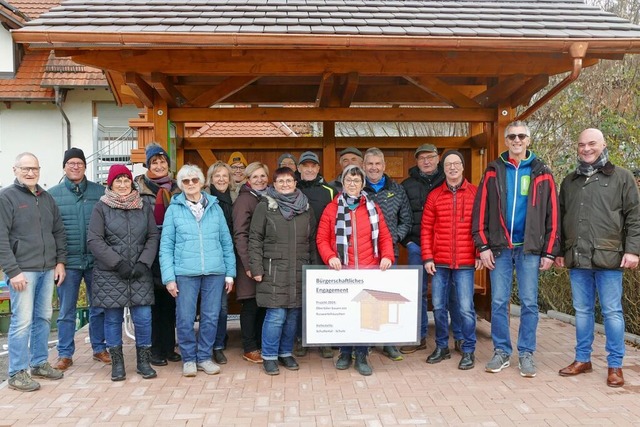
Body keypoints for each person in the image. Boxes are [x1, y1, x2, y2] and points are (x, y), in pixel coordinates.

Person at [472, 121, 560, 378]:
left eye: (521, 136)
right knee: (499, 302)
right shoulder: (493, 170)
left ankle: (526, 353)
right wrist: (483, 246)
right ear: (506, 140)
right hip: (499, 249)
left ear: (529, 140)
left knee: (530, 303)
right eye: (512, 136)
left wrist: (550, 251)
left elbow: (552, 214)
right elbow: (480, 211)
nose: (517, 140)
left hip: (530, 249)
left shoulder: (542, 171)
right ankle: (501, 351)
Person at [556, 128, 640, 387]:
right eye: (581, 144)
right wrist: (560, 252)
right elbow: (561, 219)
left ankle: (615, 365)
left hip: (609, 258)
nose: (586, 149)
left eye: (592, 143)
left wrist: (633, 249)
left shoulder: (622, 178)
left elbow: (635, 217)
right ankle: (583, 359)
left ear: (603, 145)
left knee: (612, 312)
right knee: (582, 311)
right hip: (577, 257)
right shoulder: (569, 181)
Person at [317, 165, 395, 376]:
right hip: (343, 272)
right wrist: (330, 256)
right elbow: (322, 239)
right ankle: (344, 353)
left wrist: (387, 256)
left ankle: (361, 355)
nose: (353, 184)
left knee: (365, 315)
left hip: (368, 269)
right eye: (349, 181)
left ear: (362, 184)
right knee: (345, 315)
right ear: (343, 183)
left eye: (357, 181)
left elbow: (385, 236)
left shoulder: (372, 207)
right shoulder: (332, 208)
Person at [160, 164, 236, 377]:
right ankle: (188, 358)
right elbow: (166, 245)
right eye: (186, 181)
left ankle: (204, 356)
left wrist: (230, 273)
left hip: (215, 271)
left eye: (195, 180)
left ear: (202, 183)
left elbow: (226, 242)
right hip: (185, 272)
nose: (191, 184)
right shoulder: (174, 210)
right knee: (184, 317)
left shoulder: (215, 207)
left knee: (211, 316)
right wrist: (169, 278)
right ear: (181, 185)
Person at [0, 152, 66, 392]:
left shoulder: (46, 198)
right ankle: (17, 372)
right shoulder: (6, 197)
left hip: (47, 269)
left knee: (43, 318)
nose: (30, 173)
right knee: (21, 322)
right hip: (22, 271)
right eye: (25, 168)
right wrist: (13, 270)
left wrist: (60, 262)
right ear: (14, 169)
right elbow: (1, 238)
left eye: (34, 169)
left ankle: (38, 363)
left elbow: (58, 231)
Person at [88, 164, 159, 382]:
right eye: (117, 180)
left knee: (144, 318)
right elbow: (94, 240)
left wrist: (143, 263)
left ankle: (143, 361)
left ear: (132, 182)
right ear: (110, 183)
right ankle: (117, 364)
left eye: (126, 180)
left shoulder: (143, 206)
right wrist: (117, 263)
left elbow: (152, 236)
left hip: (139, 272)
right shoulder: (101, 208)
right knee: (112, 319)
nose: (122, 184)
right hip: (111, 273)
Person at [249, 167, 316, 375]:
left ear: (295, 183)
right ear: (274, 184)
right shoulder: (265, 206)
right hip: (273, 270)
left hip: (299, 269)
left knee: (293, 315)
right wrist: (256, 267)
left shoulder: (305, 207)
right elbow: (255, 238)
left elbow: (312, 240)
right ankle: (269, 356)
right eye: (281, 181)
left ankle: (286, 352)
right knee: (276, 314)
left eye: (289, 180)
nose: (285, 184)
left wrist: (314, 270)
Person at [49, 147, 109, 371]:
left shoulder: (99, 192)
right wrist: (58, 261)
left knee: (99, 307)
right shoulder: (53, 195)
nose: (75, 166)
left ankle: (99, 348)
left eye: (79, 163)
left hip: (96, 261)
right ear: (64, 167)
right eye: (71, 163)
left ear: (85, 166)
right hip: (67, 263)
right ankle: (65, 354)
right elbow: (50, 231)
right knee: (66, 310)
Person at [400, 143, 463, 355]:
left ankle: (460, 337)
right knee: (416, 293)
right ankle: (418, 336)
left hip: (445, 245)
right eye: (421, 158)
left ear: (438, 159)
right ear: (416, 161)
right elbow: (403, 217)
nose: (426, 161)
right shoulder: (407, 185)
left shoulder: (449, 180)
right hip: (418, 245)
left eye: (430, 157)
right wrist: (408, 242)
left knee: (452, 291)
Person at [421, 151, 481, 370]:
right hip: (439, 261)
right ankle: (442, 347)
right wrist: (427, 256)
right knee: (438, 307)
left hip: (466, 261)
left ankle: (468, 350)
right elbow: (426, 229)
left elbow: (481, 226)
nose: (453, 168)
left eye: (456, 164)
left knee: (466, 308)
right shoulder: (435, 195)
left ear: (463, 167)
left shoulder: (475, 193)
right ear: (443, 168)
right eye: (448, 164)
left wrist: (478, 252)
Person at [134, 142, 182, 367]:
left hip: (173, 250)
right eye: (155, 162)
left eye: (163, 161)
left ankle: (168, 346)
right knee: (153, 302)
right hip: (149, 250)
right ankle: (155, 349)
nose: (160, 165)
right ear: (148, 165)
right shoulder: (139, 190)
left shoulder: (177, 188)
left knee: (170, 300)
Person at [363, 147, 412, 362]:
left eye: (377, 164)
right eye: (370, 164)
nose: (373, 168)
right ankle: (364, 341)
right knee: (364, 297)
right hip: (363, 253)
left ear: (384, 166)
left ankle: (389, 343)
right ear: (364, 166)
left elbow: (407, 220)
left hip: (388, 253)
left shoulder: (397, 190)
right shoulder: (356, 188)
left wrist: (393, 238)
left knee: (386, 296)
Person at [293, 151, 335, 359]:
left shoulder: (330, 191)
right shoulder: (292, 188)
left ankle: (324, 339)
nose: (309, 169)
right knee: (300, 295)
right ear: (299, 168)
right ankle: (301, 338)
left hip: (322, 252)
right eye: (305, 165)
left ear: (318, 168)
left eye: (313, 166)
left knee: (322, 296)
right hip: (297, 250)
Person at [233, 162, 269, 363]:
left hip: (263, 261)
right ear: (248, 179)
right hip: (249, 262)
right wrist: (248, 264)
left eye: (263, 176)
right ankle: (249, 346)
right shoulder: (244, 201)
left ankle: (260, 344)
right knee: (250, 304)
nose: (260, 180)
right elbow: (240, 234)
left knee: (261, 303)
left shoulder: (266, 198)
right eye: (255, 177)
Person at [205, 161, 237, 364]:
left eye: (225, 175)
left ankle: (218, 344)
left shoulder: (236, 198)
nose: (221, 179)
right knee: (206, 308)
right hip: (207, 257)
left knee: (221, 307)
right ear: (210, 179)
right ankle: (204, 344)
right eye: (217, 175)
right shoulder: (204, 200)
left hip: (228, 256)